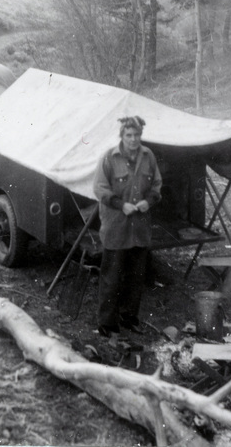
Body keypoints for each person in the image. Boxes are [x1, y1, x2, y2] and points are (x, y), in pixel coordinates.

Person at [93, 116, 162, 337]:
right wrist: (120, 205)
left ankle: (129, 318)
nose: (133, 140)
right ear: (121, 136)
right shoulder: (109, 158)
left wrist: (148, 201)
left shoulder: (148, 156)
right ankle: (107, 324)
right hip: (116, 227)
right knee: (111, 277)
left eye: (137, 135)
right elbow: (99, 188)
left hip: (139, 228)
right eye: (128, 135)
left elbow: (156, 186)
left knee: (136, 277)